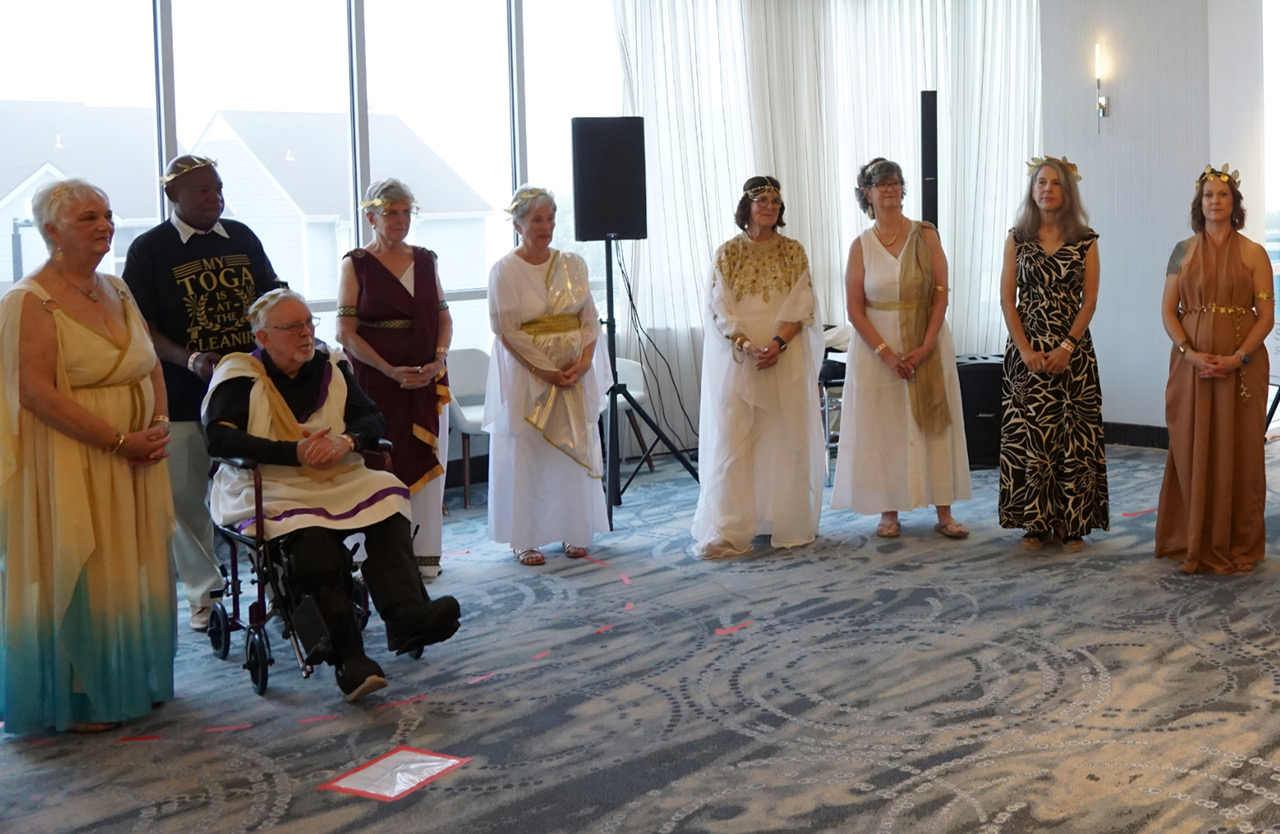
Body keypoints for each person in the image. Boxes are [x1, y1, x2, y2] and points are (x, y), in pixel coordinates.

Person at [203, 289, 461, 702]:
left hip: (337, 475)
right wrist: (293, 452)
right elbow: (219, 440)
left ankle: (406, 615)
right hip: (269, 482)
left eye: (309, 323)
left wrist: (348, 441)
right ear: (263, 337)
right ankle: (348, 657)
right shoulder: (239, 374)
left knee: (387, 497)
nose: (306, 333)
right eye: (292, 327)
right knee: (312, 545)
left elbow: (371, 417)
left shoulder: (332, 366)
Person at [0, 179, 175, 734]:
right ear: (52, 231)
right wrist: (117, 441)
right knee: (86, 565)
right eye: (89, 218)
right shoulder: (29, 300)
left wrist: (158, 425)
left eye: (107, 214)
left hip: (137, 453)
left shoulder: (117, 288)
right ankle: (81, 694)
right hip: (76, 458)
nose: (105, 226)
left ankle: (127, 678)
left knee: (130, 566)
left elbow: (149, 363)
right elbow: (34, 392)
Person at [123, 155, 281, 631]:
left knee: (265, 486)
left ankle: (278, 582)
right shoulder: (150, 249)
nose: (215, 199)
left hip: (247, 390)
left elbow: (271, 298)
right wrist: (190, 359)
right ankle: (205, 593)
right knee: (185, 499)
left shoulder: (242, 237)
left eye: (218, 189)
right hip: (181, 393)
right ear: (172, 195)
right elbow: (142, 327)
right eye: (203, 191)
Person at [830, 158, 971, 536]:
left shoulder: (925, 235)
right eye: (882, 185)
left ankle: (944, 512)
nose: (890, 189)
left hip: (927, 341)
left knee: (934, 424)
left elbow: (941, 294)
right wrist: (887, 354)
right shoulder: (860, 246)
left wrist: (926, 346)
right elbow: (855, 310)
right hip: (876, 351)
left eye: (895, 183)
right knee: (885, 427)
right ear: (867, 194)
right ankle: (888, 511)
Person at [690, 175, 825, 559]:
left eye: (775, 201)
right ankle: (732, 525)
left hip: (784, 356)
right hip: (740, 359)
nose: (770, 206)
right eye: (762, 199)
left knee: (784, 436)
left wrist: (777, 344)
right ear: (746, 206)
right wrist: (747, 345)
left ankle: (782, 518)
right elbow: (720, 307)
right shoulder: (728, 253)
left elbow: (802, 304)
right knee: (736, 437)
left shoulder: (793, 251)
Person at [1156, 164, 1273, 574]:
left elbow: (1266, 316)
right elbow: (1168, 311)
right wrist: (1188, 352)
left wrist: (1239, 356)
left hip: (1242, 367)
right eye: (1208, 194)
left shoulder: (1254, 253)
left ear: (1235, 203)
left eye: (1223, 194)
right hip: (1191, 366)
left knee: (1239, 448)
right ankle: (1191, 539)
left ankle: (1237, 541)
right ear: (1199, 203)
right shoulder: (1181, 251)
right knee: (1190, 444)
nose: (1215, 201)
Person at [484, 186, 609, 565]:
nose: (546, 226)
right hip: (530, 375)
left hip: (573, 372)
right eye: (537, 219)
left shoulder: (573, 264)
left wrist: (583, 363)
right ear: (518, 225)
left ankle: (574, 529)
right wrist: (547, 371)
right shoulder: (505, 270)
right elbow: (507, 330)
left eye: (550, 218)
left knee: (572, 450)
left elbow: (589, 319)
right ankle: (525, 538)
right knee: (530, 452)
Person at [336, 179, 451, 581]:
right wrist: (388, 369)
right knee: (377, 463)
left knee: (422, 457)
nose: (400, 220)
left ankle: (424, 556)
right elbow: (345, 332)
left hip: (425, 378)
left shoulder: (426, 259)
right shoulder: (356, 263)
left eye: (406, 212)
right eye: (390, 213)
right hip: (376, 383)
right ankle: (377, 559)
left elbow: (444, 317)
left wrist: (438, 360)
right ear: (371, 217)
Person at [998, 156, 1108, 552]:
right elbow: (1007, 300)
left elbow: (1089, 300)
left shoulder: (1086, 239)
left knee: (1072, 438)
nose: (1047, 189)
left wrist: (1066, 346)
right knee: (1031, 436)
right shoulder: (1017, 238)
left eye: (1055, 183)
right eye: (1041, 182)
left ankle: (1070, 523)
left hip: (1072, 352)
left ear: (1067, 191)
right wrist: (1025, 350)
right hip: (1025, 352)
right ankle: (1035, 523)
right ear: (1032, 191)